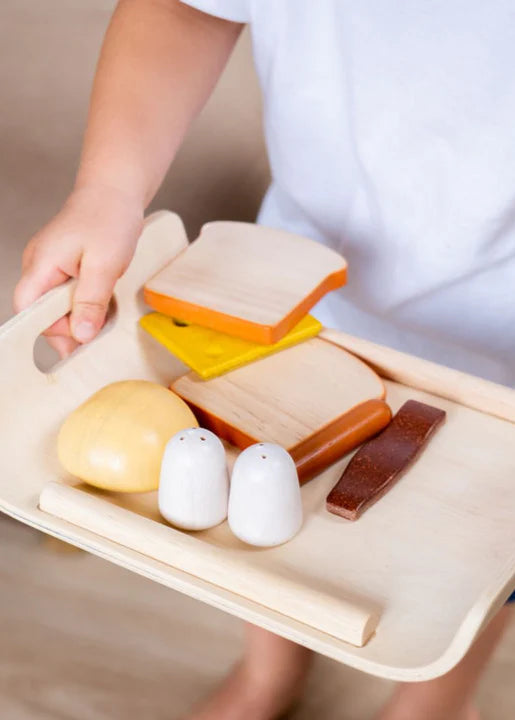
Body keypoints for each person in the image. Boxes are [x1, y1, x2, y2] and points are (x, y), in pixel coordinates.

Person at [13, 2, 515, 718]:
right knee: (263, 491)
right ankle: (268, 672)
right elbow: (183, 9)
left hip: (500, 338)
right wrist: (108, 190)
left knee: (473, 556)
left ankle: (433, 702)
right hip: (287, 281)